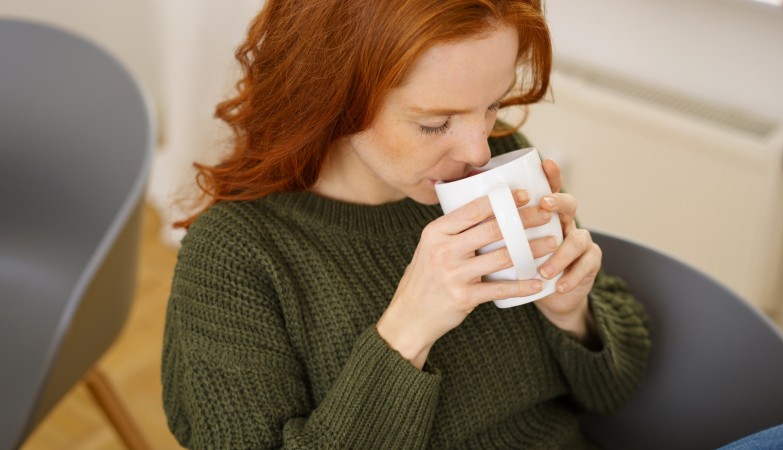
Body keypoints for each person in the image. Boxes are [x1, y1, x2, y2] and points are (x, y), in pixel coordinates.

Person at [161, 0, 653, 448]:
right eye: (435, 123)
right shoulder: (236, 259)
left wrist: (572, 316)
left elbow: (613, 391)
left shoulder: (497, 164)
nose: (477, 149)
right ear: (330, 95)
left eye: (492, 106)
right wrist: (408, 331)